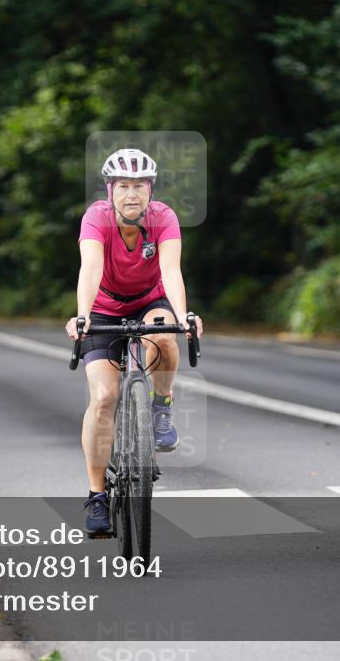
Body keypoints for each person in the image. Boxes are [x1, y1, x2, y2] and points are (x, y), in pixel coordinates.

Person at [65, 148, 203, 534]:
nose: (131, 194)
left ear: (150, 189)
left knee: (164, 330)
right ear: (110, 190)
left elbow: (171, 271)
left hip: (149, 301)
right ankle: (96, 495)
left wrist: (183, 315)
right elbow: (90, 267)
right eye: (123, 186)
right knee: (104, 398)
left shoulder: (164, 218)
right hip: (105, 308)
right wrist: (83, 314)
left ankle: (160, 407)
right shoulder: (97, 218)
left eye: (139, 186)